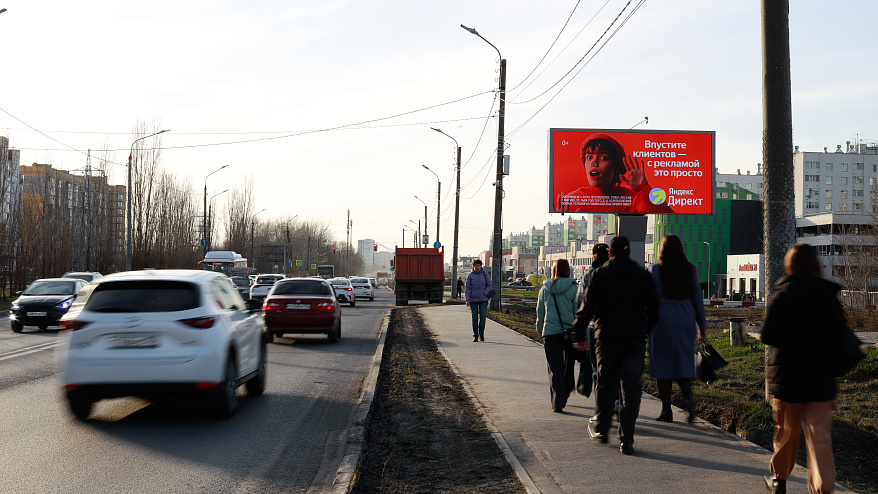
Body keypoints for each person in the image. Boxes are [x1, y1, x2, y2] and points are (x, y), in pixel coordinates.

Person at [760, 243, 842, 494]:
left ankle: (779, 481)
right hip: (820, 378)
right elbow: (840, 337)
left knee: (786, 433)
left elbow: (767, 335)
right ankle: (823, 487)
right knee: (819, 438)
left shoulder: (782, 296)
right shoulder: (829, 297)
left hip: (787, 379)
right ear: (816, 265)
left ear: (790, 265)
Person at [573, 236, 659, 456]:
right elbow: (655, 311)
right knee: (630, 389)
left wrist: (579, 333)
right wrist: (644, 331)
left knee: (605, 382)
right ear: (629, 253)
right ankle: (626, 440)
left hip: (606, 339)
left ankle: (602, 428)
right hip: (633, 341)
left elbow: (586, 308)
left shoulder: (599, 275)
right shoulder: (643, 276)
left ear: (610, 253)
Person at [647, 234, 707, 424]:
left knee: (663, 365)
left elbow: (650, 297)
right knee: (683, 359)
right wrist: (702, 328)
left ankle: (666, 410)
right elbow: (698, 300)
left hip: (662, 318)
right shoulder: (690, 269)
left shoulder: (655, 270)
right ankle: (688, 398)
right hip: (685, 317)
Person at [555, 133, 674, 214]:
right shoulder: (571, 200)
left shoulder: (634, 197)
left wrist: (642, 188)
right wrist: (559, 216)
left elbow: (669, 221)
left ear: (617, 166)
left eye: (603, 157)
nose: (594, 163)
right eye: (589, 157)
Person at [535, 259, 580, 412]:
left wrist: (540, 328)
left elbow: (540, 312)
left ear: (553, 270)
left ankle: (557, 402)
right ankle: (565, 392)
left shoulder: (545, 289)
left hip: (551, 333)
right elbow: (577, 313)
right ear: (568, 270)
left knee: (555, 368)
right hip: (570, 333)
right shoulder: (574, 288)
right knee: (568, 366)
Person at [576, 243, 609, 397]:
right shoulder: (613, 272)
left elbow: (580, 301)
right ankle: (615, 400)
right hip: (616, 325)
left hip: (594, 327)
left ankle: (600, 405)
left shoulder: (589, 274)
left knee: (597, 368)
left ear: (594, 256)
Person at [465, 259, 493, 342]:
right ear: (473, 266)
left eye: (478, 265)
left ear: (481, 266)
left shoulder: (485, 274)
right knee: (475, 318)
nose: (477, 267)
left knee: (483, 317)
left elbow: (490, 285)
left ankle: (481, 334)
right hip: (473, 299)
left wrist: (485, 293)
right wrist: (467, 299)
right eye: (475, 266)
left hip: (483, 299)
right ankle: (475, 335)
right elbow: (467, 288)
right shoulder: (470, 276)